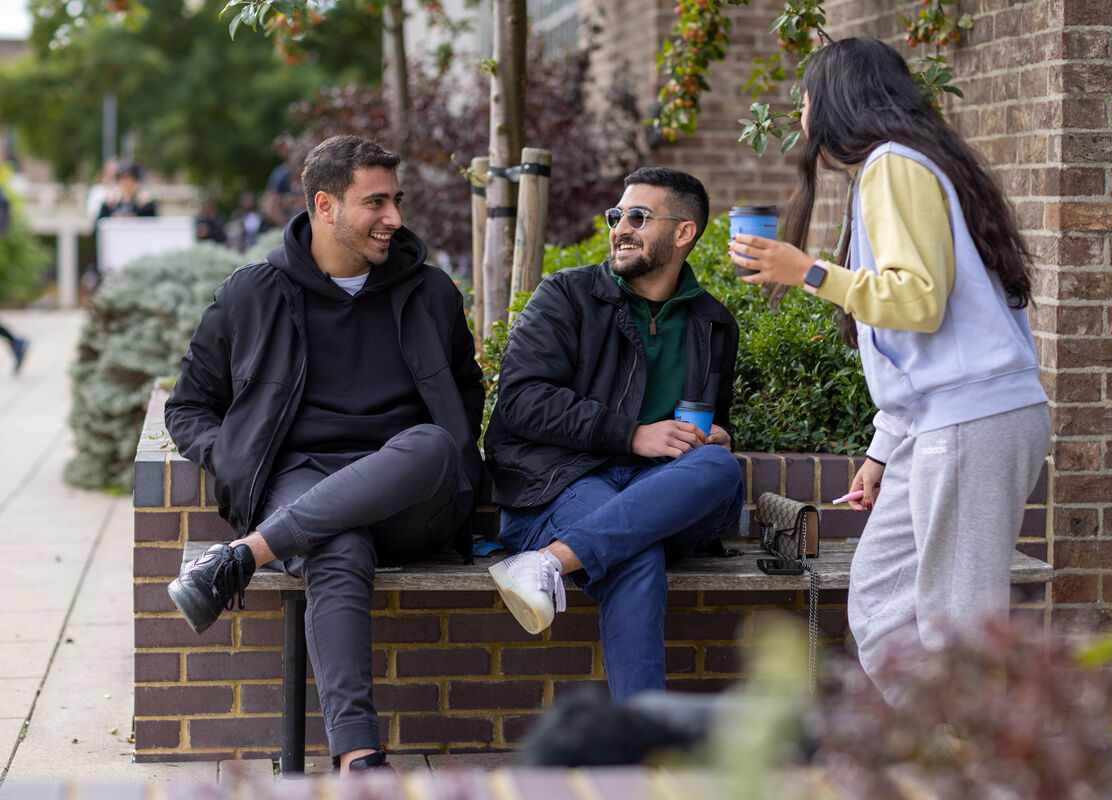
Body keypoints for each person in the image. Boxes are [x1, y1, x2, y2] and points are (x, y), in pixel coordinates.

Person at [728, 37, 1051, 702]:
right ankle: (937, 746)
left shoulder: (893, 168)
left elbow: (917, 301)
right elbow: (919, 348)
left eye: (808, 98)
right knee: (881, 601)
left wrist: (808, 271)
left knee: (956, 624)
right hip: (949, 419)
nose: (802, 115)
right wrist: (882, 452)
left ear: (840, 101)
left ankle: (972, 767)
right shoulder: (905, 167)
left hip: (972, 419)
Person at [164, 135, 484, 774]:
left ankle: (241, 557)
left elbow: (465, 400)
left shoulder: (432, 293)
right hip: (302, 484)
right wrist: (229, 452)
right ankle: (358, 760)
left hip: (410, 489)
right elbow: (188, 407)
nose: (394, 218)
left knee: (431, 442)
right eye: (376, 203)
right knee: (335, 543)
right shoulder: (251, 294)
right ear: (325, 205)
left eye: (396, 201)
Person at [484, 167, 744, 699]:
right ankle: (643, 746)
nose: (620, 227)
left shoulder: (713, 323)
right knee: (635, 555)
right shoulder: (567, 296)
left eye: (638, 217)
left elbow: (710, 416)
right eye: (616, 216)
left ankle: (546, 564)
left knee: (720, 465)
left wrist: (718, 434)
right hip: (563, 481)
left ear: (684, 233)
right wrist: (631, 435)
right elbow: (518, 400)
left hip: (658, 492)